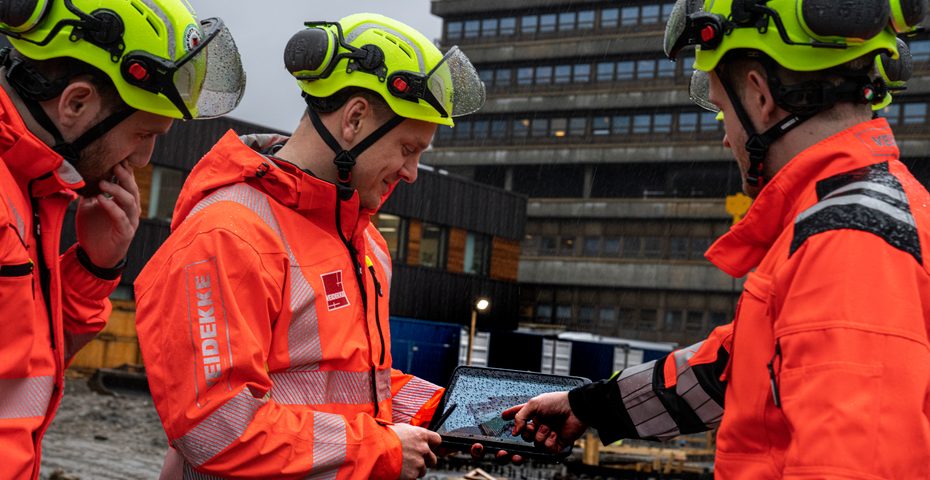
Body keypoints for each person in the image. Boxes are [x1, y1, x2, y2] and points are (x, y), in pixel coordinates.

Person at [505, 0, 930, 477]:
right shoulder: (858, 213)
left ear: (760, 96)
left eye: (722, 108)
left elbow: (851, 464)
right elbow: (732, 368)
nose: (727, 138)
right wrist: (588, 406)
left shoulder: (847, 240)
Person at [133, 13, 486, 480]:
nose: (411, 172)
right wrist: (379, 449)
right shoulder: (227, 235)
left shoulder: (365, 242)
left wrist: (458, 415)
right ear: (355, 119)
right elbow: (214, 425)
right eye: (408, 148)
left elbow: (348, 385)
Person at [0, 0, 245, 478]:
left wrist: (94, 267)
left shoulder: (33, 190)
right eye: (143, 134)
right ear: (76, 103)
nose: (144, 158)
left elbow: (26, 370)